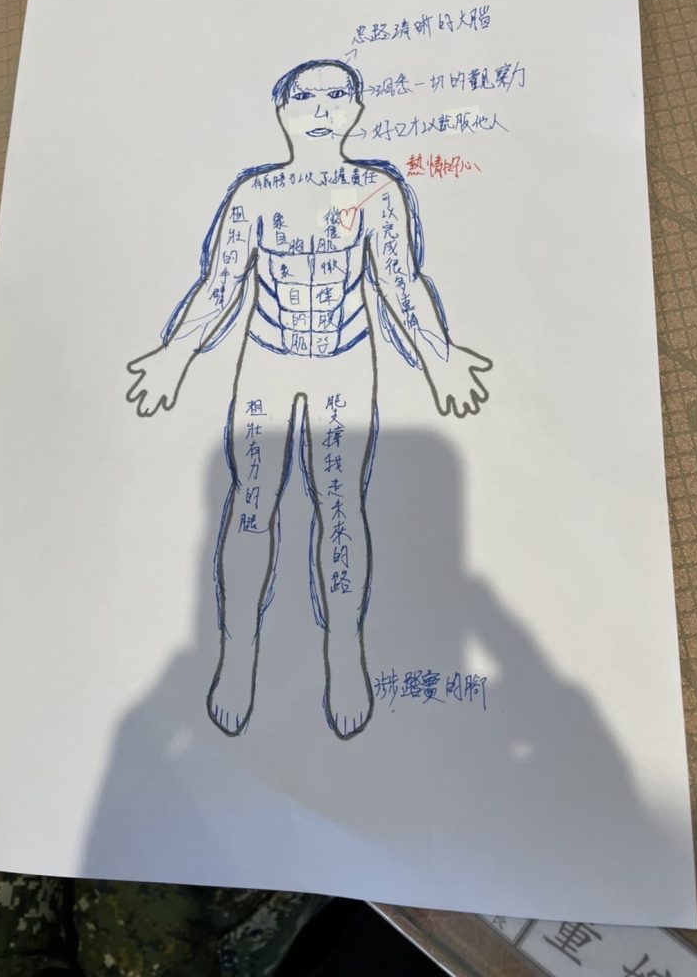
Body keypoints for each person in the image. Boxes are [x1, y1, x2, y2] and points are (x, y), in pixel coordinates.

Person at [126, 59, 491, 740]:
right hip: (266, 360)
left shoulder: (377, 190)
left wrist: (439, 358)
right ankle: (238, 652)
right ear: (282, 110)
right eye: (305, 96)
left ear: (356, 109)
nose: (321, 108)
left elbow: (402, 282)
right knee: (251, 502)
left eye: (336, 95)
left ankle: (344, 648)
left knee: (340, 504)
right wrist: (175, 354)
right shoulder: (253, 194)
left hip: (344, 361)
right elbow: (219, 285)